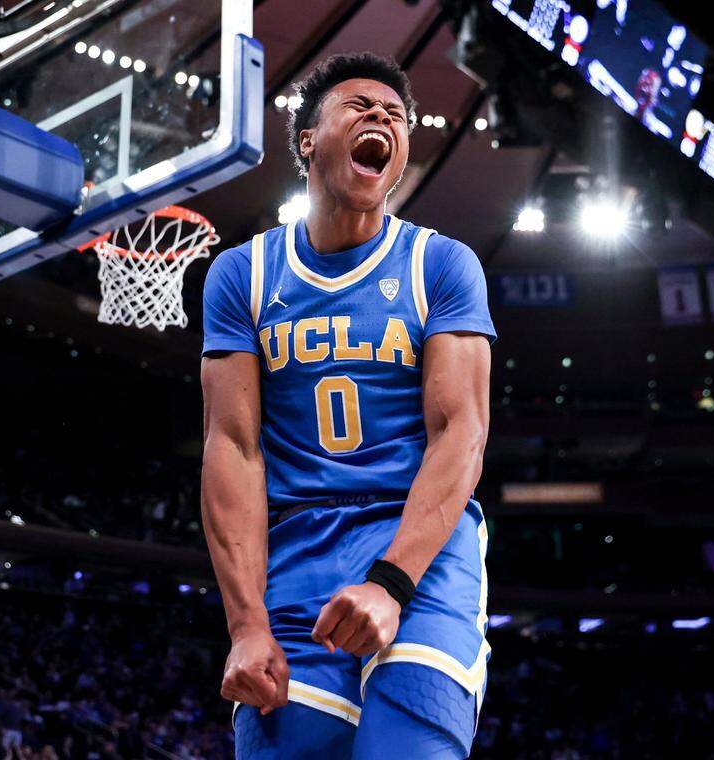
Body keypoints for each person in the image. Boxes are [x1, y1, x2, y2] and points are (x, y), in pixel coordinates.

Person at [201, 52, 495, 758]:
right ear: (308, 139)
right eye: (361, 106)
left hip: (419, 548)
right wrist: (245, 623)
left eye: (396, 115)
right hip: (298, 553)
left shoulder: (440, 264)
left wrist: (391, 583)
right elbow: (232, 450)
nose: (383, 119)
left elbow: (461, 432)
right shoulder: (243, 275)